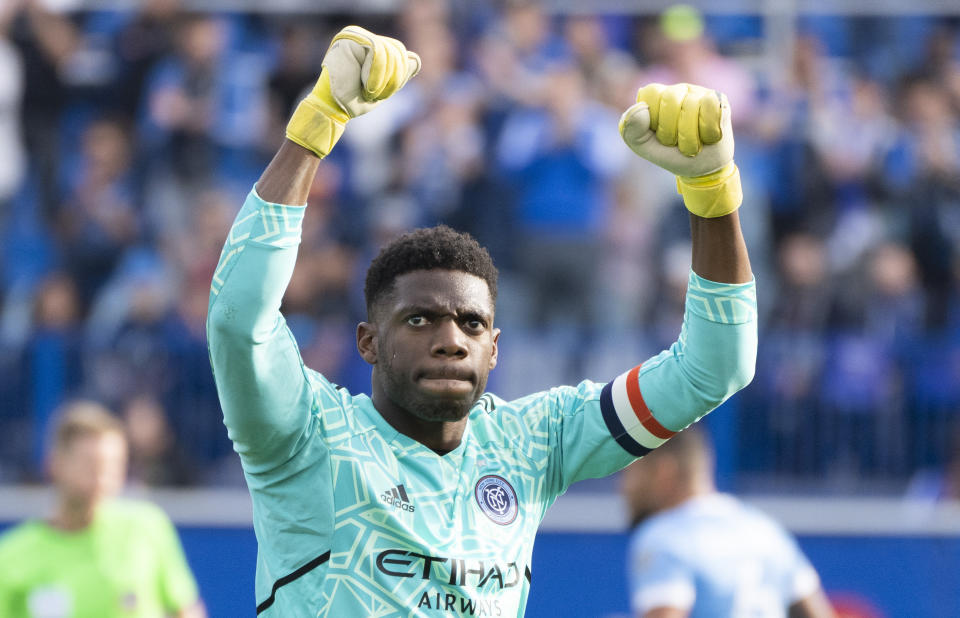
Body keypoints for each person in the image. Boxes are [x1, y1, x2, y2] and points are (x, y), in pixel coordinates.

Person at [207, 25, 758, 616]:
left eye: (471, 325)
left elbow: (713, 369)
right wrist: (316, 125)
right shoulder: (304, 435)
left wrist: (713, 197)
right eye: (419, 321)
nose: (450, 340)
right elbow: (240, 320)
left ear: (494, 348)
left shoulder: (533, 444)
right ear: (367, 342)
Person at [0, 400, 206, 617]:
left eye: (113, 466)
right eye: (90, 464)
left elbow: (186, 609)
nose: (102, 478)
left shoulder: (147, 527)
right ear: (54, 464)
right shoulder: (10, 556)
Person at [620, 426, 834, 618]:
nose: (624, 487)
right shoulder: (765, 530)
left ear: (663, 471)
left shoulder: (663, 536)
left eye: (631, 472)